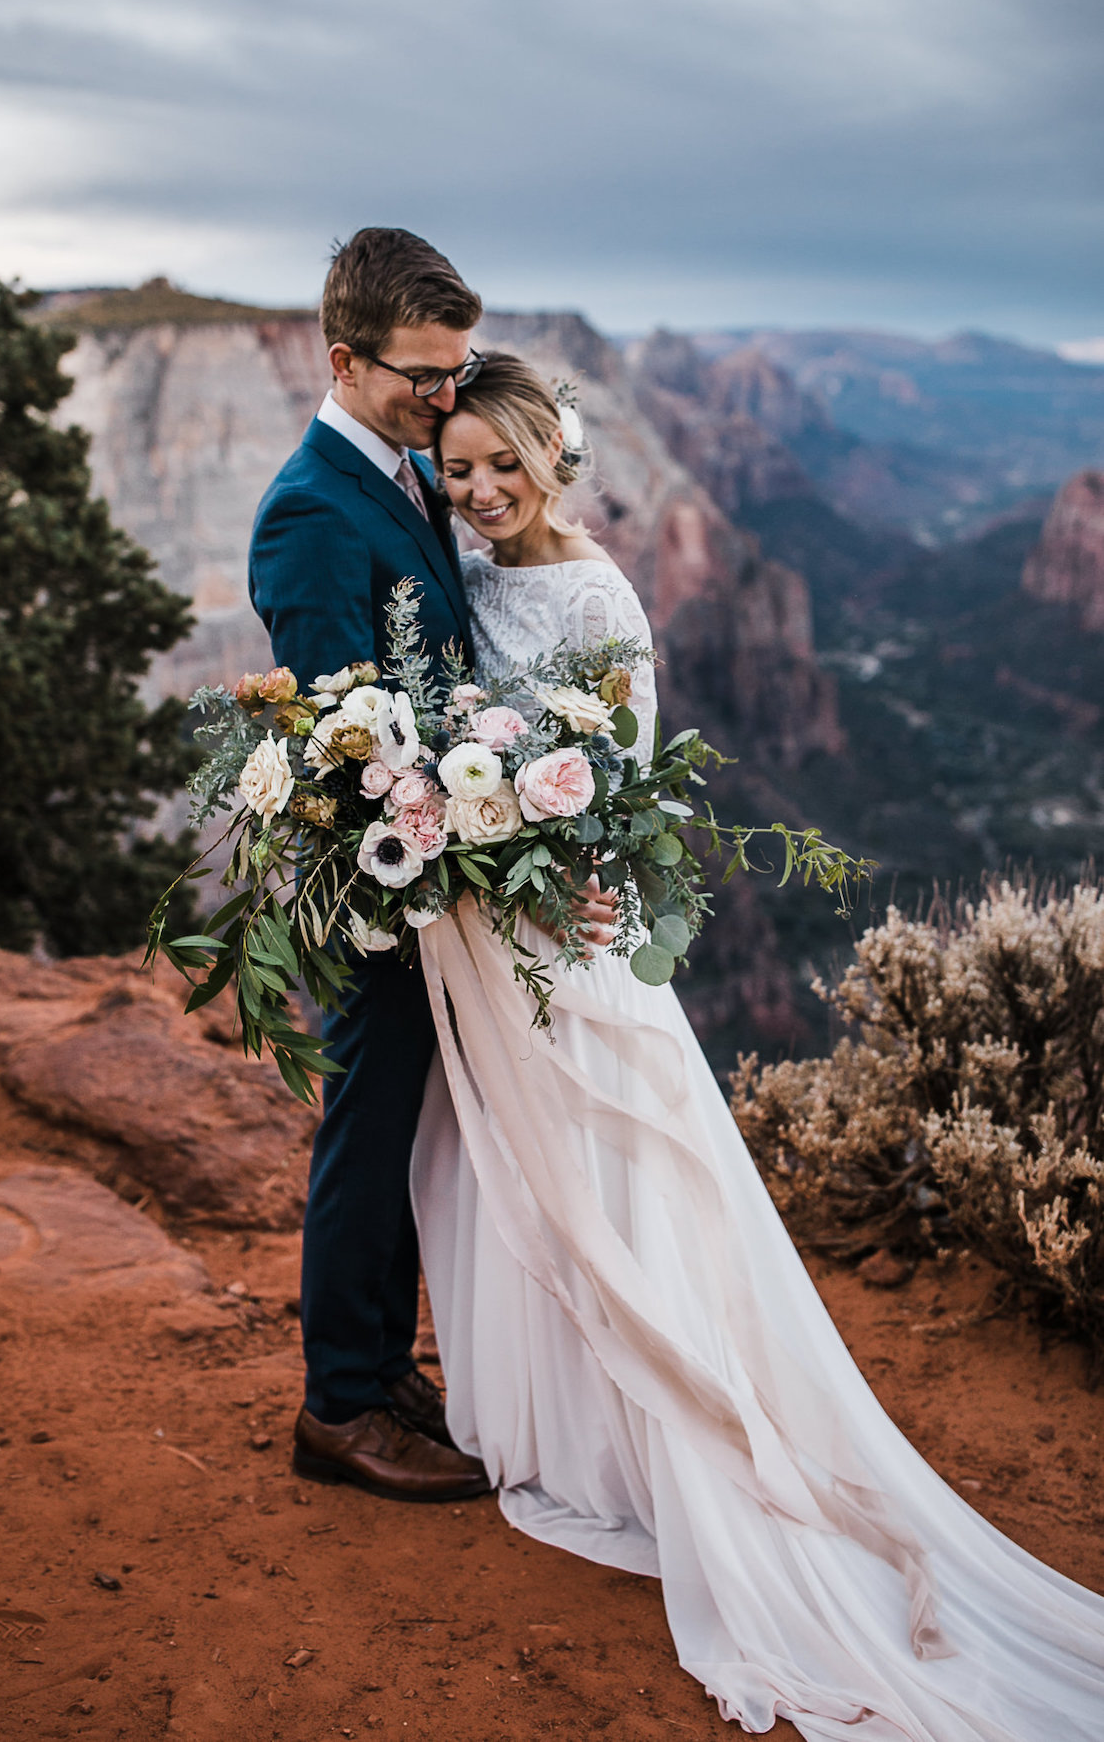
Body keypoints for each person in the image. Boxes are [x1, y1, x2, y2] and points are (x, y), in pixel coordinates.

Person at [412, 355, 1104, 1738]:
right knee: (493, 1180)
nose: (481, 490)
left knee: (613, 1179)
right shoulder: (451, 561)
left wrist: (567, 864)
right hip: (480, 931)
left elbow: (620, 775)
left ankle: (647, 1448)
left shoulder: (600, 593)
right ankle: (543, 1424)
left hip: (564, 933)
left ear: (558, 455)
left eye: (505, 463)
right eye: (460, 464)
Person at [246, 228, 501, 1502]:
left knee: (406, 1130)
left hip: (439, 864)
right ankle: (339, 1403)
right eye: (420, 376)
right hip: (377, 881)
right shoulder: (306, 509)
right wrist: (447, 833)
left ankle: (381, 1361)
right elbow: (341, 733)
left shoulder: (397, 468)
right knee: (368, 1127)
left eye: (457, 372)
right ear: (343, 360)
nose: (443, 400)